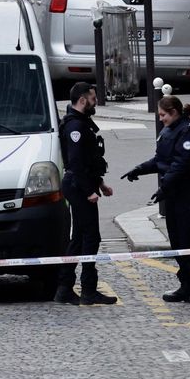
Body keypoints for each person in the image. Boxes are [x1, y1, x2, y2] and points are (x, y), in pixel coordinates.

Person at [122, 96, 190, 304]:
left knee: (188, 241)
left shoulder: (188, 132)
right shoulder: (170, 130)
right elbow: (161, 160)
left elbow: (181, 164)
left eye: (163, 115)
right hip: (174, 193)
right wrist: (140, 169)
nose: (161, 119)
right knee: (177, 241)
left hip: (186, 192)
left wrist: (164, 187)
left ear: (174, 112)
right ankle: (186, 285)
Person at [54, 82, 117, 306]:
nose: (95, 102)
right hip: (78, 185)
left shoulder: (81, 123)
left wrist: (99, 183)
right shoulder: (75, 128)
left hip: (82, 184)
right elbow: (77, 163)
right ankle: (88, 289)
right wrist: (89, 190)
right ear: (82, 100)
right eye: (92, 98)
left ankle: (65, 288)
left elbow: (89, 160)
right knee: (91, 236)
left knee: (80, 237)